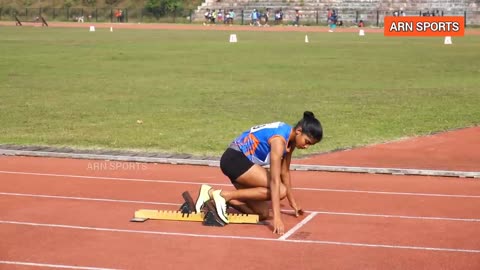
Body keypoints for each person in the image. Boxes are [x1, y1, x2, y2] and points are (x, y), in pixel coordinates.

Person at [195, 111, 323, 234]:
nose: (306, 147)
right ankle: (224, 195)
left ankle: (212, 194)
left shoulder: (292, 139)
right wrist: (277, 218)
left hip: (244, 165)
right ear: (299, 131)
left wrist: (293, 202)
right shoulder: (279, 140)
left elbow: (284, 172)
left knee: (262, 214)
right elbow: (274, 180)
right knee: (280, 190)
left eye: (310, 145)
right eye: (307, 142)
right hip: (234, 159)